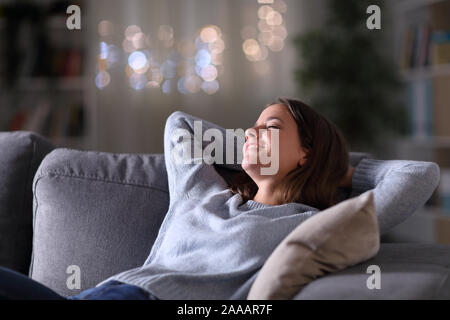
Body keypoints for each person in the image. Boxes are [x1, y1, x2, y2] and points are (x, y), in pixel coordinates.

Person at [0, 97, 440, 300]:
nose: (251, 131)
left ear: (307, 152)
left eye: (269, 127)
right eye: (251, 126)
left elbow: (419, 175)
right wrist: (251, 145)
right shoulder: (204, 192)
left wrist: (340, 166)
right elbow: (180, 126)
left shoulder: (307, 224)